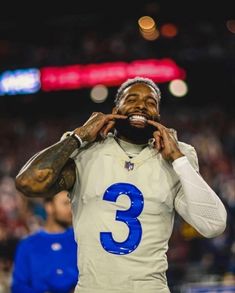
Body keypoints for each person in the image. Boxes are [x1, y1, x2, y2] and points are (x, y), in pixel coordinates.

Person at [15, 76, 227, 293]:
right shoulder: (86, 151)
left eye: (151, 102)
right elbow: (28, 183)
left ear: (158, 116)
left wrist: (179, 160)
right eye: (132, 99)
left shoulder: (178, 156)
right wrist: (77, 137)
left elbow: (214, 225)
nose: (141, 106)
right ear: (115, 109)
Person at [11, 190, 78, 293]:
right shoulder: (28, 244)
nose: (70, 209)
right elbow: (18, 286)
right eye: (65, 203)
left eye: (71, 203)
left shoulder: (79, 240)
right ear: (49, 207)